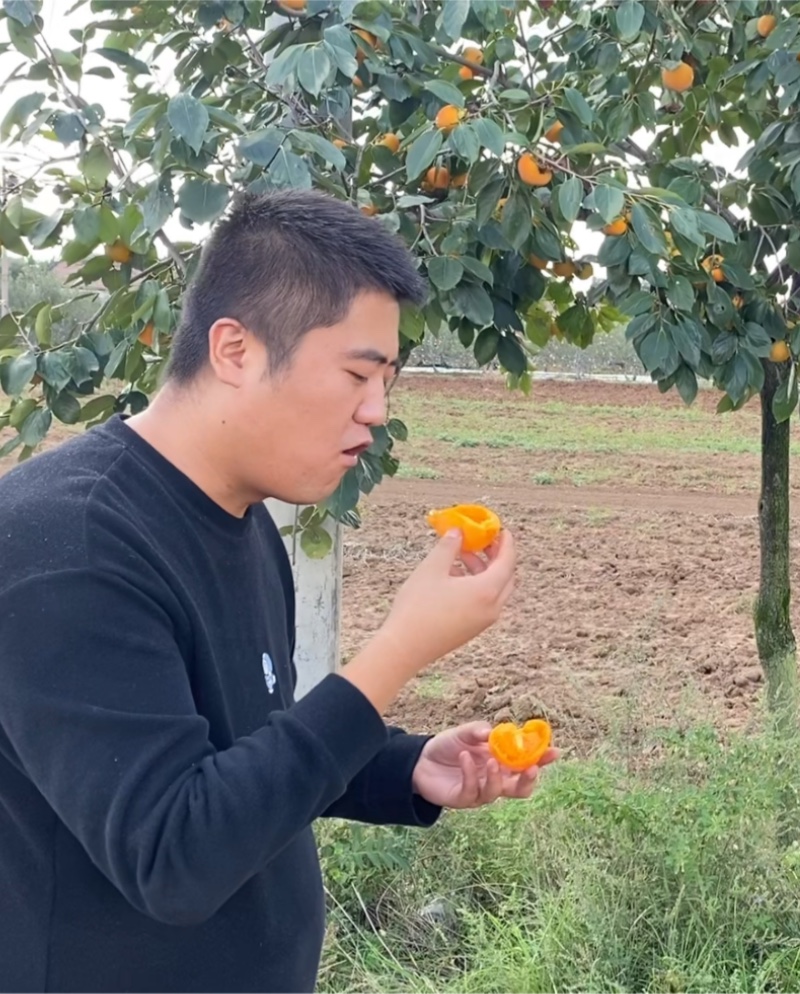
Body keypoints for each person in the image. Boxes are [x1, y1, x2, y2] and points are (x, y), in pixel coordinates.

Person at [0, 189, 556, 993]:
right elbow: (174, 856)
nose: (376, 414)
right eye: (357, 376)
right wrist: (396, 651)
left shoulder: (242, 516)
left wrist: (402, 769)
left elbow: (239, 757)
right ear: (235, 351)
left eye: (388, 380)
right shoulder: (68, 548)